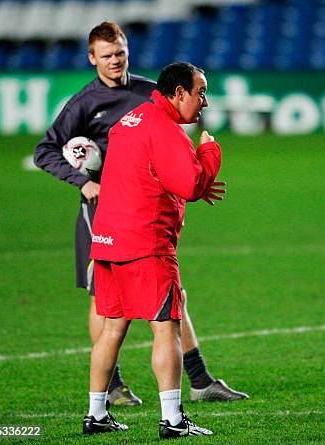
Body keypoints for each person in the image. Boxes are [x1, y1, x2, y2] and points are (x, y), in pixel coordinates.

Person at [34, 21, 247, 406]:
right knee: (108, 301)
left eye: (120, 53)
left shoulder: (150, 93)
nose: (115, 61)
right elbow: (45, 151)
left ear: (127, 50)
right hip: (104, 210)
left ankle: (195, 380)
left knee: (167, 297)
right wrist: (84, 182)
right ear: (91, 58)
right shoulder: (84, 103)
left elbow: (172, 143)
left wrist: (183, 172)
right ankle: (114, 388)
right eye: (106, 55)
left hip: (145, 205)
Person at [83, 62, 222, 438]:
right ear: (179, 93)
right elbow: (190, 186)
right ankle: (173, 420)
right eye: (200, 92)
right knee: (167, 329)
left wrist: (192, 177)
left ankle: (96, 414)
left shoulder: (129, 121)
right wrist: (210, 154)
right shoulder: (167, 130)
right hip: (146, 245)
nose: (204, 102)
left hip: (108, 242)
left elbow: (152, 174)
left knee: (112, 329)